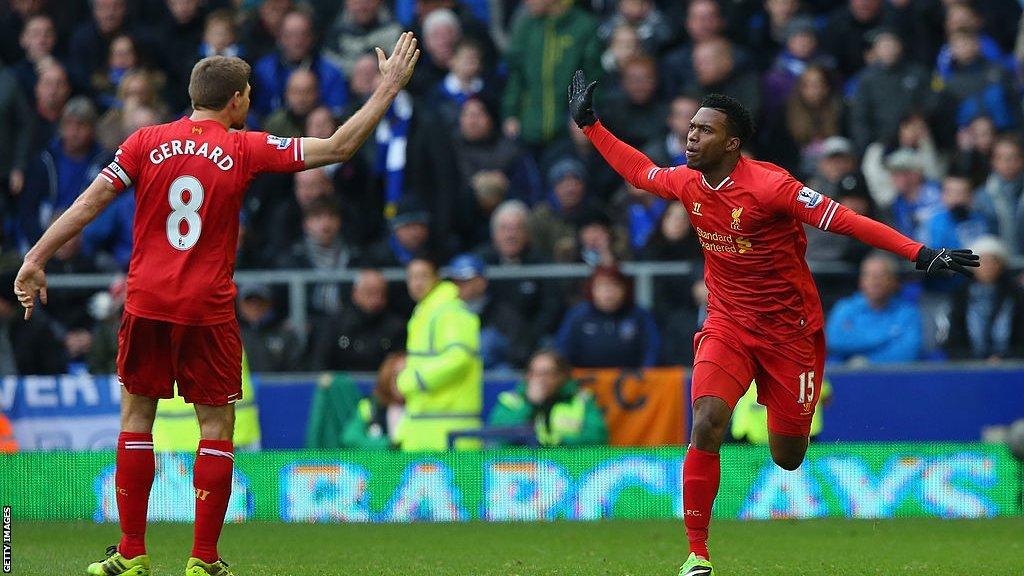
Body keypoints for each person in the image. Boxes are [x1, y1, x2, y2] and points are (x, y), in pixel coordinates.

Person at [14, 33, 421, 576]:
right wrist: (388, 88)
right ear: (236, 101)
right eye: (248, 94)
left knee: (136, 421)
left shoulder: (143, 142)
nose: (249, 101)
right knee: (216, 430)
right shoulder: (244, 145)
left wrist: (37, 256)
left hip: (147, 301)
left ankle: (131, 552)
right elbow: (339, 147)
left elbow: (89, 201)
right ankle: (203, 559)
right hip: (207, 307)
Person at [566, 70, 977, 575]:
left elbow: (845, 219)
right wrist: (591, 125)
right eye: (691, 127)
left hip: (790, 334)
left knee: (788, 455)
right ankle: (697, 553)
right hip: (728, 324)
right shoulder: (689, 183)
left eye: (704, 130)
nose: (691, 136)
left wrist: (918, 252)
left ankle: (787, 434)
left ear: (732, 144)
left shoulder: (771, 187)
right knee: (706, 423)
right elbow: (640, 172)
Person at [395, 253, 482, 451]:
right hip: (424, 426)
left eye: (423, 276)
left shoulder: (451, 312)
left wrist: (413, 378)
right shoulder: (424, 313)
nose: (416, 283)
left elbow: (459, 358)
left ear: (436, 278)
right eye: (412, 277)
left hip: (450, 429)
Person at [487, 349, 608, 447]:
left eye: (546, 374)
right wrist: (531, 404)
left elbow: (597, 439)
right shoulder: (511, 400)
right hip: (521, 469)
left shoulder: (582, 400)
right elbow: (499, 437)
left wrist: (557, 442)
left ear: (561, 376)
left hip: (569, 469)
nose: (540, 380)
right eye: (535, 373)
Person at [825, 252, 922, 364]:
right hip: (845, 378)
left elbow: (907, 353)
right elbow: (834, 341)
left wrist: (864, 362)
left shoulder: (908, 313)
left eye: (881, 276)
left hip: (892, 378)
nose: (875, 281)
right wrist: (885, 336)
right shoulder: (844, 308)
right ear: (860, 281)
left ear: (894, 281)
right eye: (868, 275)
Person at [556, 264, 659, 368]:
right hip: (585, 380)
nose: (608, 292)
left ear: (625, 289)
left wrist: (645, 376)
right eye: (602, 286)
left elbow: (652, 350)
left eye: (614, 285)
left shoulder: (640, 316)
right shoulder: (577, 315)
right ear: (592, 289)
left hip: (632, 380)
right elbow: (562, 352)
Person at [945, 236, 1024, 361]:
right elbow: (954, 340)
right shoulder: (961, 295)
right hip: (970, 366)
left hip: (1011, 365)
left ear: (1001, 265)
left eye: (992, 261)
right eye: (982, 261)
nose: (987, 267)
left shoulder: (1016, 295)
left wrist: (1005, 357)